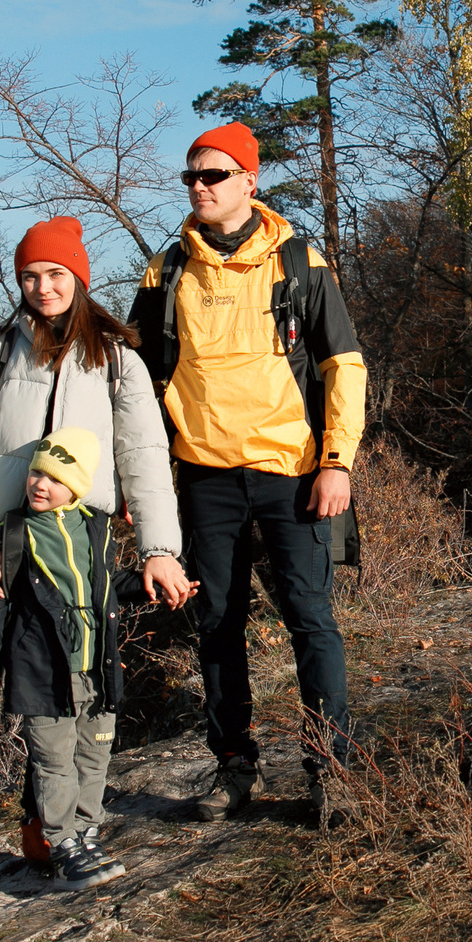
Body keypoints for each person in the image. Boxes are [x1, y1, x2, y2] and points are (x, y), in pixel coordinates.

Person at [0, 217, 192, 914]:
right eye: (30, 275)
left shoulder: (117, 357)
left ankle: (43, 827)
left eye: (56, 273)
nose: (43, 287)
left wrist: (159, 551)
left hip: (80, 537)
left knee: (66, 686)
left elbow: (143, 453)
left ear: (78, 278)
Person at [127, 121, 365, 829]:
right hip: (205, 476)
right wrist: (133, 482)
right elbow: (136, 386)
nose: (199, 187)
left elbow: (343, 364)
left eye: (214, 175)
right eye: (191, 177)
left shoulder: (298, 260)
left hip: (293, 472)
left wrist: (337, 463)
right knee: (217, 626)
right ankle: (234, 767)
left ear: (249, 182)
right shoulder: (167, 270)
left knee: (311, 622)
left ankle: (330, 771)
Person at [0, 429, 170, 908]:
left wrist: (149, 587)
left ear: (79, 487)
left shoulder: (96, 527)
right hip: (45, 673)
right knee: (54, 761)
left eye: (55, 478)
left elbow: (103, 585)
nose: (40, 484)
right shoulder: (12, 534)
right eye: (35, 473)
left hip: (96, 670)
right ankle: (62, 843)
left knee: (94, 757)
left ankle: (86, 835)